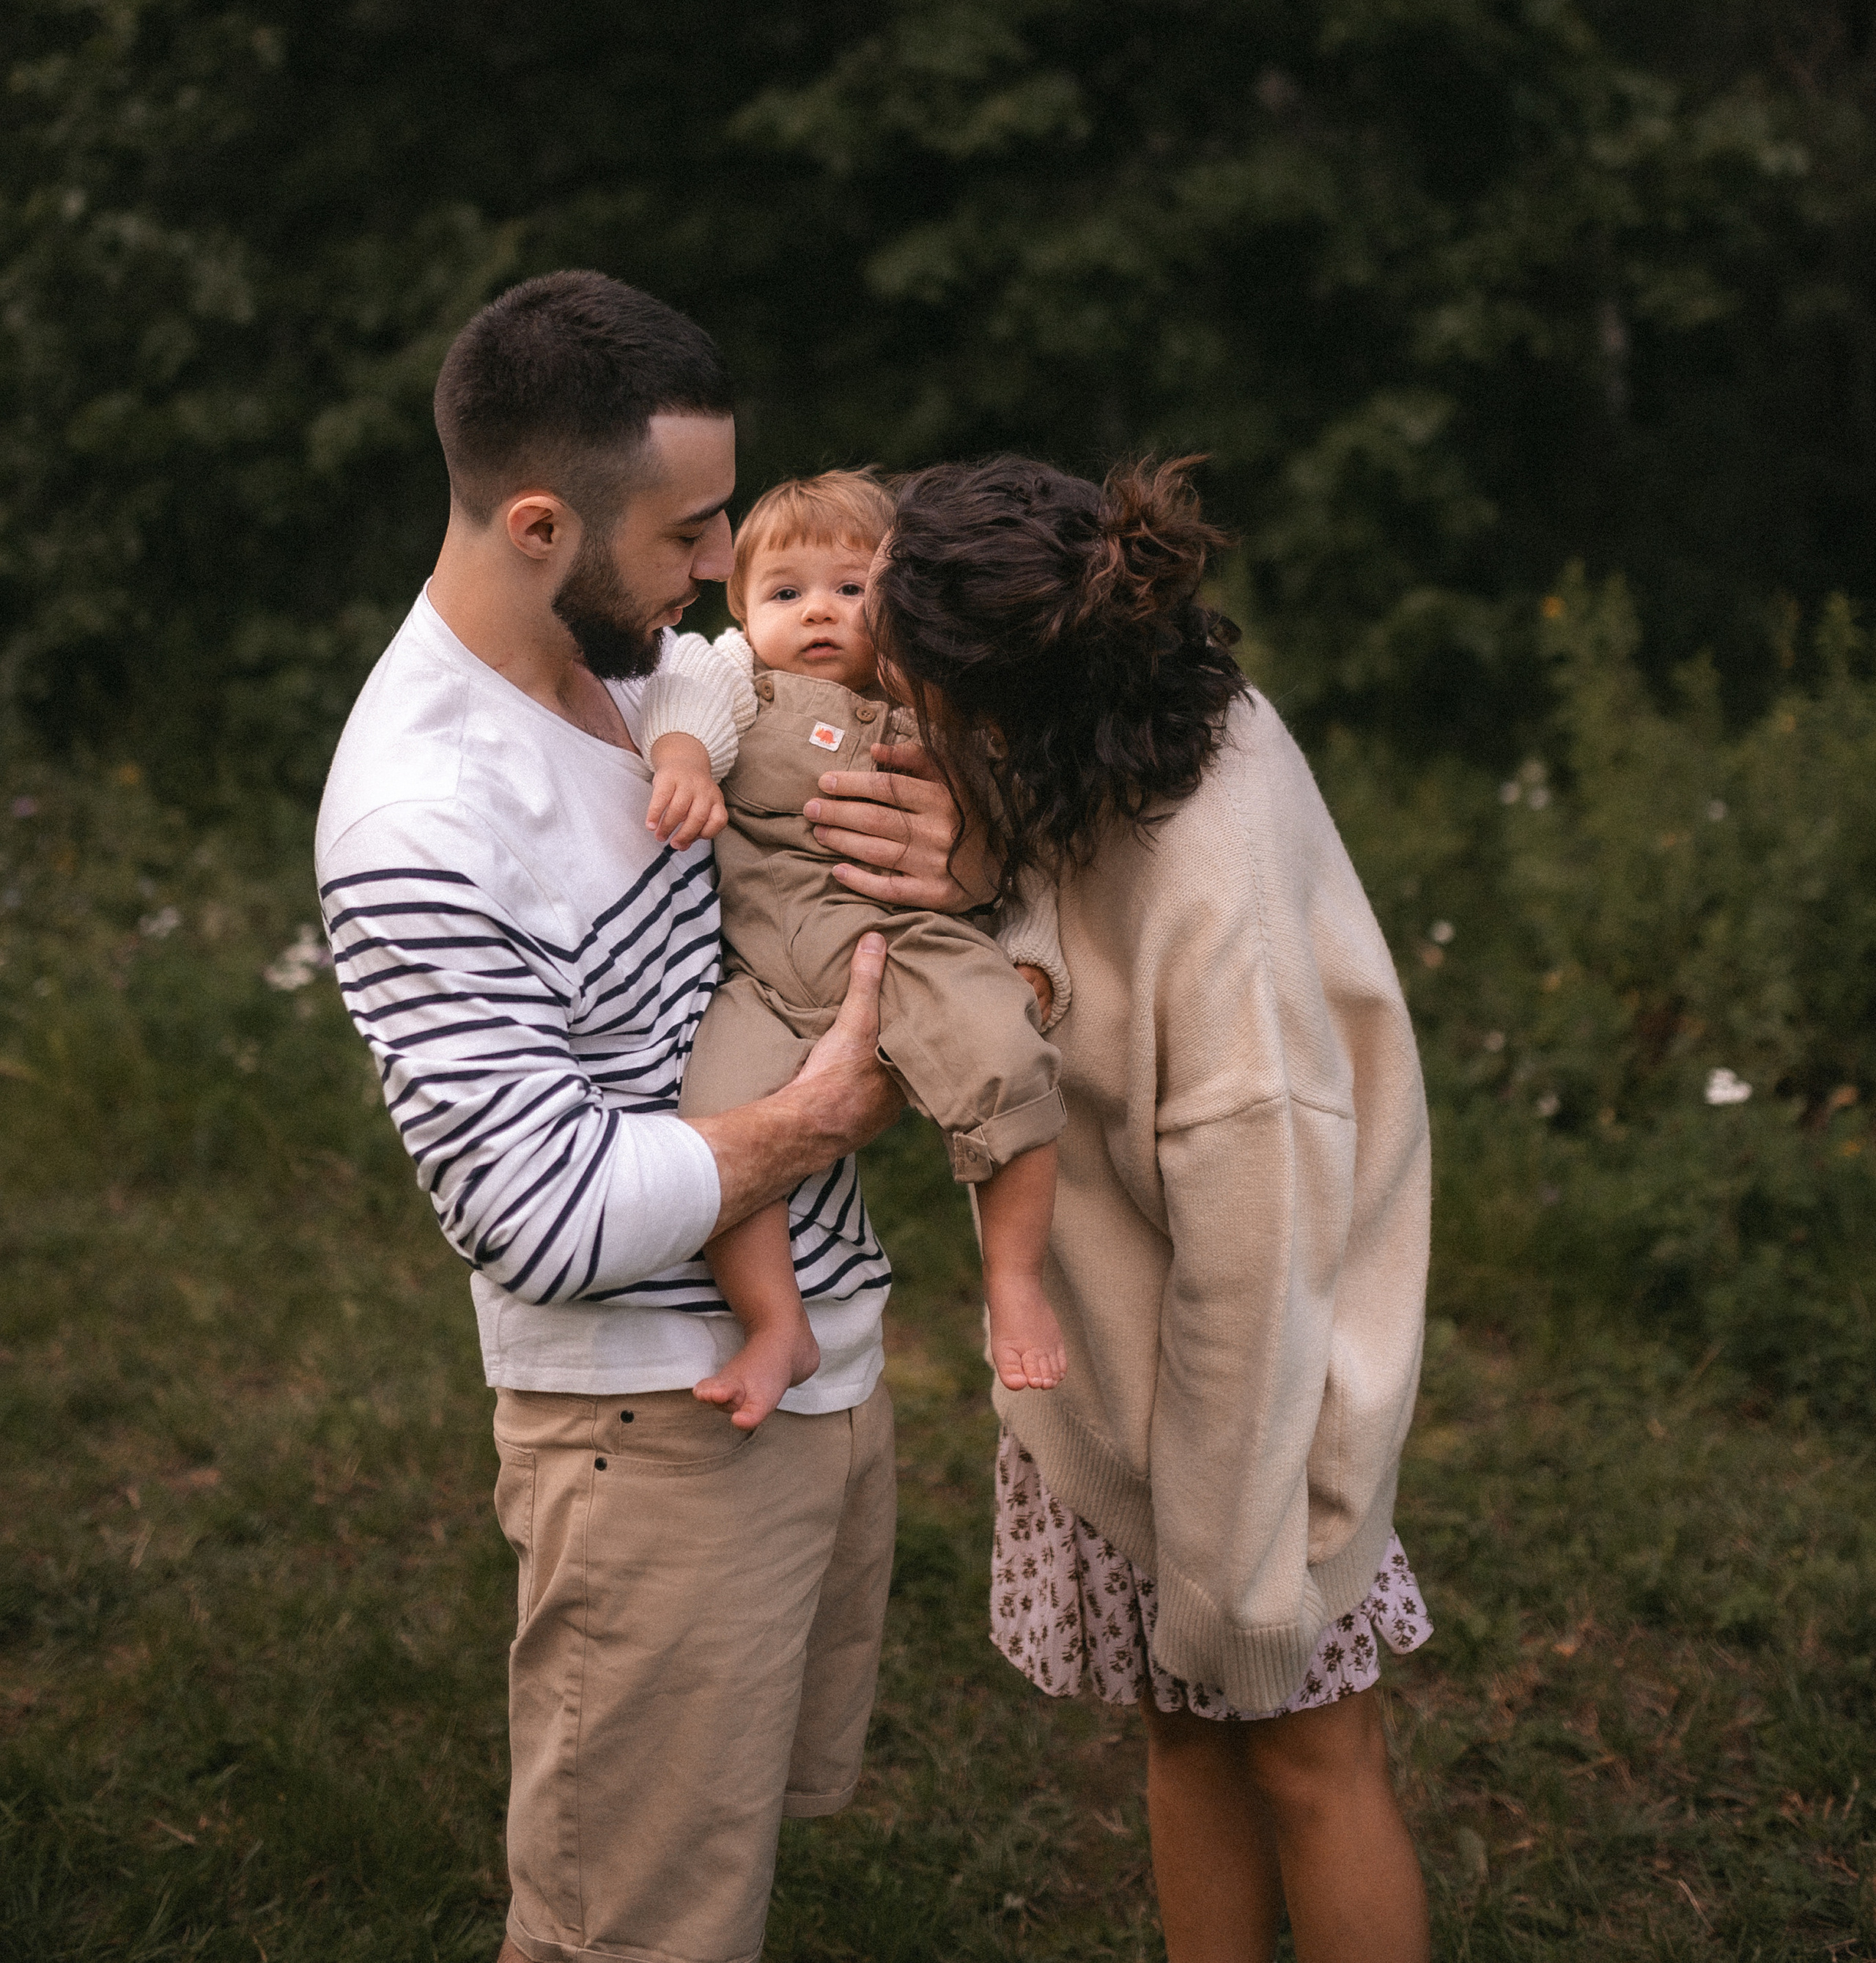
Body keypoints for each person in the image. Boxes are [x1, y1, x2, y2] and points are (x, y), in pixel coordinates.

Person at [314, 272, 912, 1963]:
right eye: (690, 531)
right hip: (654, 1437)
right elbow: (543, 1213)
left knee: (706, 1884)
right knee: (626, 1932)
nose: (726, 569)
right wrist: (830, 1107)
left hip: (815, 1371)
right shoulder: (426, 812)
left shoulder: (651, 672)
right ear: (534, 524)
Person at [867, 454, 1436, 1963]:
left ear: (994, 703)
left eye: (907, 684)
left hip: (1252, 1436)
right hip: (1127, 1391)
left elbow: (1252, 1268)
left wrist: (1243, 1585)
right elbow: (1058, 940)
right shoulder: (1109, 726)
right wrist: (977, 868)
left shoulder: (1214, 889)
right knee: (1182, 1742)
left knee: (1310, 1761)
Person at [658, 469, 1068, 1431]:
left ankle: (1013, 1279)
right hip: (767, 970)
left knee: (1009, 1050)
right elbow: (677, 698)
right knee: (715, 1129)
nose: (819, 614)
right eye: (786, 592)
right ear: (742, 608)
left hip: (911, 945)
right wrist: (680, 760)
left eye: (851, 589)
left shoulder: (929, 698)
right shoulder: (733, 678)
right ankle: (776, 1322)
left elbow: (1008, 811)